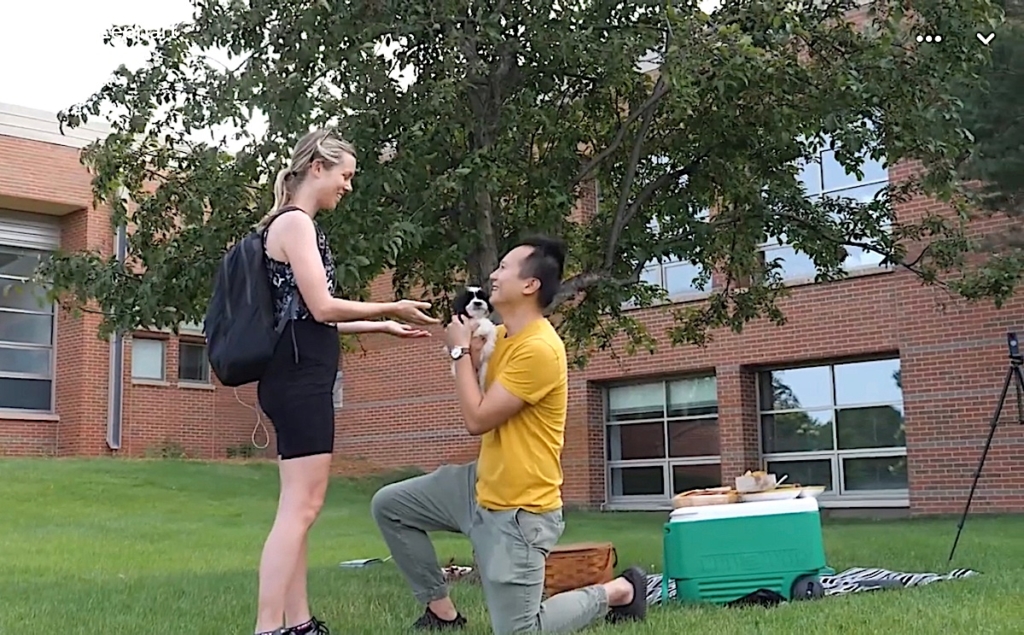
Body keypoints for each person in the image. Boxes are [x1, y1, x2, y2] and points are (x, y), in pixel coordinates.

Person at [371, 235, 648, 634]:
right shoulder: (499, 337)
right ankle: (442, 613)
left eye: (503, 268)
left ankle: (620, 590)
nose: (493, 275)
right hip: (480, 484)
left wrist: (458, 352)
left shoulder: (539, 349)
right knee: (390, 505)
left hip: (518, 510)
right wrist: (465, 351)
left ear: (530, 284)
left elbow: (478, 419)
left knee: (521, 631)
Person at [253, 128, 440, 635]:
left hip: (292, 374)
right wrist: (390, 305)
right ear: (318, 167)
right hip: (300, 380)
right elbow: (322, 307)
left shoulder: (289, 224)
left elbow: (308, 317)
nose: (348, 186)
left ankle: (298, 623)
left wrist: (381, 326)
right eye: (346, 175)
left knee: (298, 508)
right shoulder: (296, 224)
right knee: (301, 508)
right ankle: (268, 627)